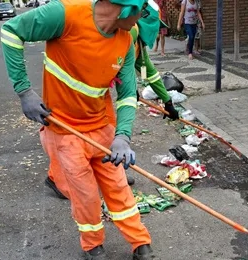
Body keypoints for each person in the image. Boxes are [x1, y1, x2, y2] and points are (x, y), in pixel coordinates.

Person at [1, 0, 163, 260]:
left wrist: (122, 137)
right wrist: (24, 91)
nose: (137, 22)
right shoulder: (65, 14)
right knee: (85, 196)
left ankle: (140, 245)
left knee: (119, 189)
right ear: (124, 7)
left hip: (100, 130)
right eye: (138, 14)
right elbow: (10, 31)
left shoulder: (125, 38)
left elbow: (126, 95)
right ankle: (93, 246)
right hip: (64, 131)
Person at [45, 0, 179, 192]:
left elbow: (145, 69)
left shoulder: (136, 36)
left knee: (105, 133)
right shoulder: (128, 31)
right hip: (79, 91)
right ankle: (57, 179)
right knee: (70, 136)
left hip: (101, 92)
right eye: (157, 25)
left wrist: (165, 100)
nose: (157, 31)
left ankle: (112, 172)